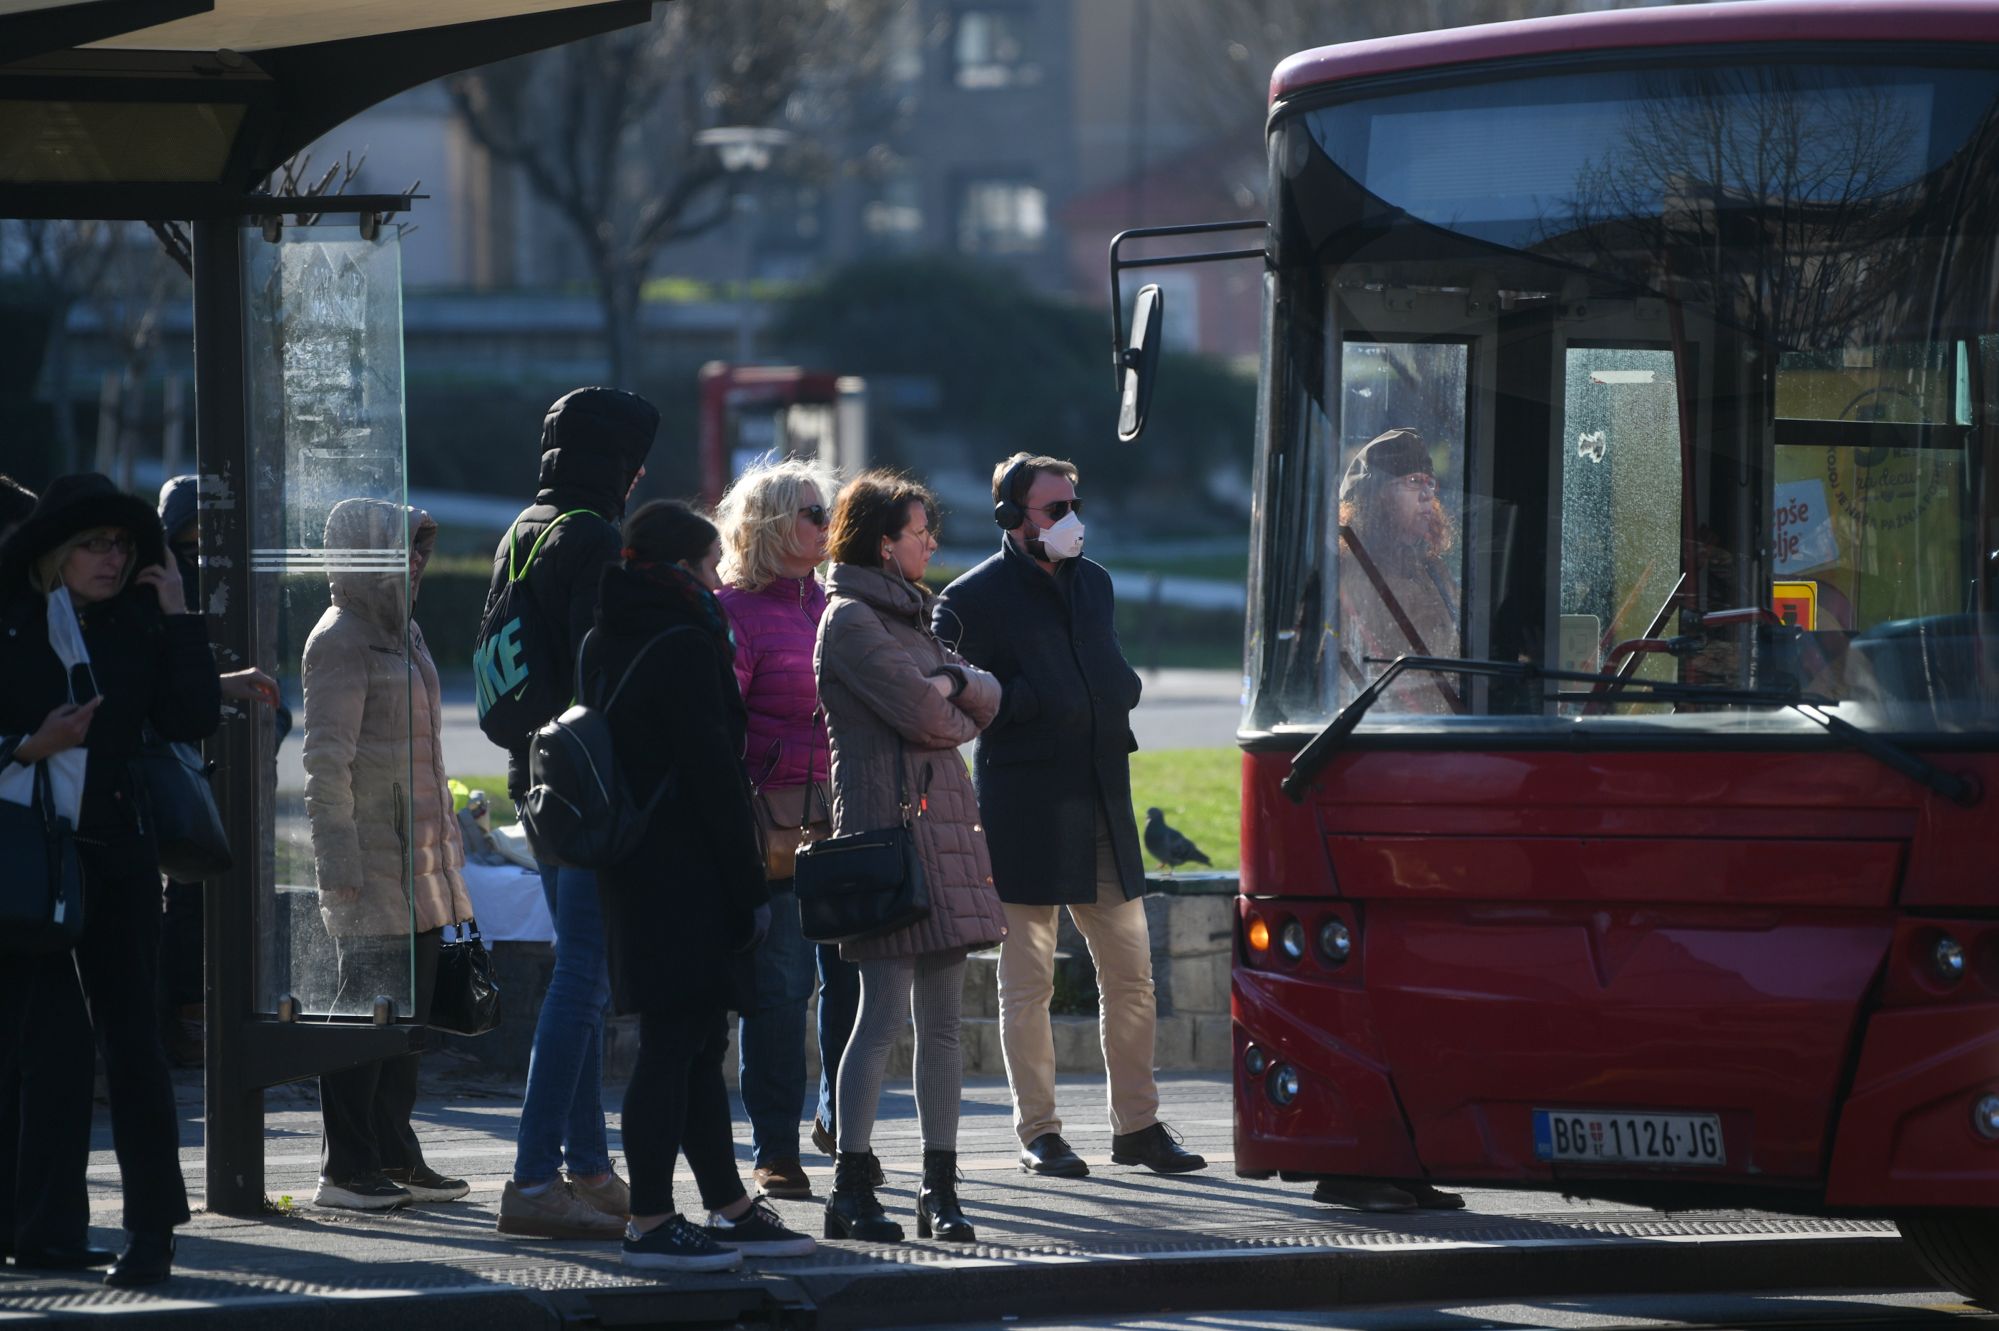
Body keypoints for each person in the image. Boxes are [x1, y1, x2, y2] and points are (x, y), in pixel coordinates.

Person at [932, 453, 1206, 1180]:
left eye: (1072, 504)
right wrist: (1039, 699)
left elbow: (1106, 671)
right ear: (1010, 517)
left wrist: (1117, 687)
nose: (1070, 519)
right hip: (1022, 807)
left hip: (1100, 797)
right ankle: (1039, 1132)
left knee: (1133, 976)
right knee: (1026, 984)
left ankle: (1138, 1127)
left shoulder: (1096, 584)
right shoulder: (970, 598)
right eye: (1054, 508)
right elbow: (958, 699)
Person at [0, 472, 222, 1287]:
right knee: (43, 1045)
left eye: (124, 545)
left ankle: (152, 1231)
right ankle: (40, 1229)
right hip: (29, 853)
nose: (112, 557)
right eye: (95, 543)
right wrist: (32, 745)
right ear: (56, 551)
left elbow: (192, 719)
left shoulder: (141, 621)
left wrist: (178, 614)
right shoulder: (14, 620)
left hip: (118, 853)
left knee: (134, 1047)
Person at [592, 500, 814, 1272]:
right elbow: (714, 773)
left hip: (629, 862)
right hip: (685, 868)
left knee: (693, 1039)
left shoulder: (607, 632)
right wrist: (747, 882)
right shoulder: (687, 639)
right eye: (712, 562)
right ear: (685, 566)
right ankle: (650, 1219)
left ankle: (727, 1203)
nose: (719, 576)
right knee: (672, 1043)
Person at [816, 472, 1007, 1244]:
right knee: (882, 1017)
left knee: (945, 1025)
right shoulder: (853, 621)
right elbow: (935, 720)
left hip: (942, 836)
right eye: (920, 530)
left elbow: (983, 694)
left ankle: (940, 1186)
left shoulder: (915, 618)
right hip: (888, 843)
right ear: (882, 541)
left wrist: (955, 676)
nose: (931, 542)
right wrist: (954, 694)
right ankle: (850, 1185)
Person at [486, 387, 657, 1240]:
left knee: (577, 974)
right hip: (586, 784)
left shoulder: (527, 525)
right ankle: (531, 1178)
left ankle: (587, 1169)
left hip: (534, 775)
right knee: (583, 977)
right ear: (617, 464)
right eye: (634, 463)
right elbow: (606, 674)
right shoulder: (592, 535)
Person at [303, 499, 475, 1212]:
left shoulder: (403, 631)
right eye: (399, 548)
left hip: (422, 860)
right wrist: (337, 866)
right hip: (374, 860)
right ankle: (345, 1170)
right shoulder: (341, 638)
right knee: (363, 1017)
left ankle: (395, 1153)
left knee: (407, 1024)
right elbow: (324, 763)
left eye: (418, 548)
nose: (413, 561)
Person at [714, 458, 840, 1200]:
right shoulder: (733, 609)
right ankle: (776, 1147)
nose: (826, 525)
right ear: (768, 525)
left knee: (854, 984)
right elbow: (720, 731)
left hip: (849, 820)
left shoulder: (831, 604)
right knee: (781, 988)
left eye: (825, 512)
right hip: (775, 828)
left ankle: (841, 1130)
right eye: (812, 513)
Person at [1334, 428, 1462, 715]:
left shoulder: (1433, 569)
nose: (1428, 494)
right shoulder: (1348, 573)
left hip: (1448, 731)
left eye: (1431, 483)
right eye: (1414, 482)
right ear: (1374, 495)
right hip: (1387, 734)